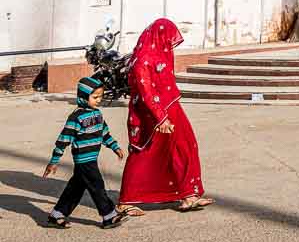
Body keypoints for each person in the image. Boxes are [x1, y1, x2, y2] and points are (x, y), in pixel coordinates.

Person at [118, 18, 213, 215]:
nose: (170, 45)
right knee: (145, 153)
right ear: (158, 36)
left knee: (185, 145)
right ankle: (125, 201)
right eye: (168, 40)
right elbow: (145, 92)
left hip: (171, 107)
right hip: (149, 115)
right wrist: (160, 118)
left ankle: (189, 195)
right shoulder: (143, 59)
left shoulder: (159, 55)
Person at [43, 75, 126, 229]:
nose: (98, 100)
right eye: (94, 97)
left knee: (75, 189)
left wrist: (114, 147)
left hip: (92, 158)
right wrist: (53, 161)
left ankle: (57, 215)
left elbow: (104, 134)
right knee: (97, 185)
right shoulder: (76, 118)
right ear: (82, 97)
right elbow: (63, 140)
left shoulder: (97, 115)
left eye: (100, 96)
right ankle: (108, 215)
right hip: (83, 160)